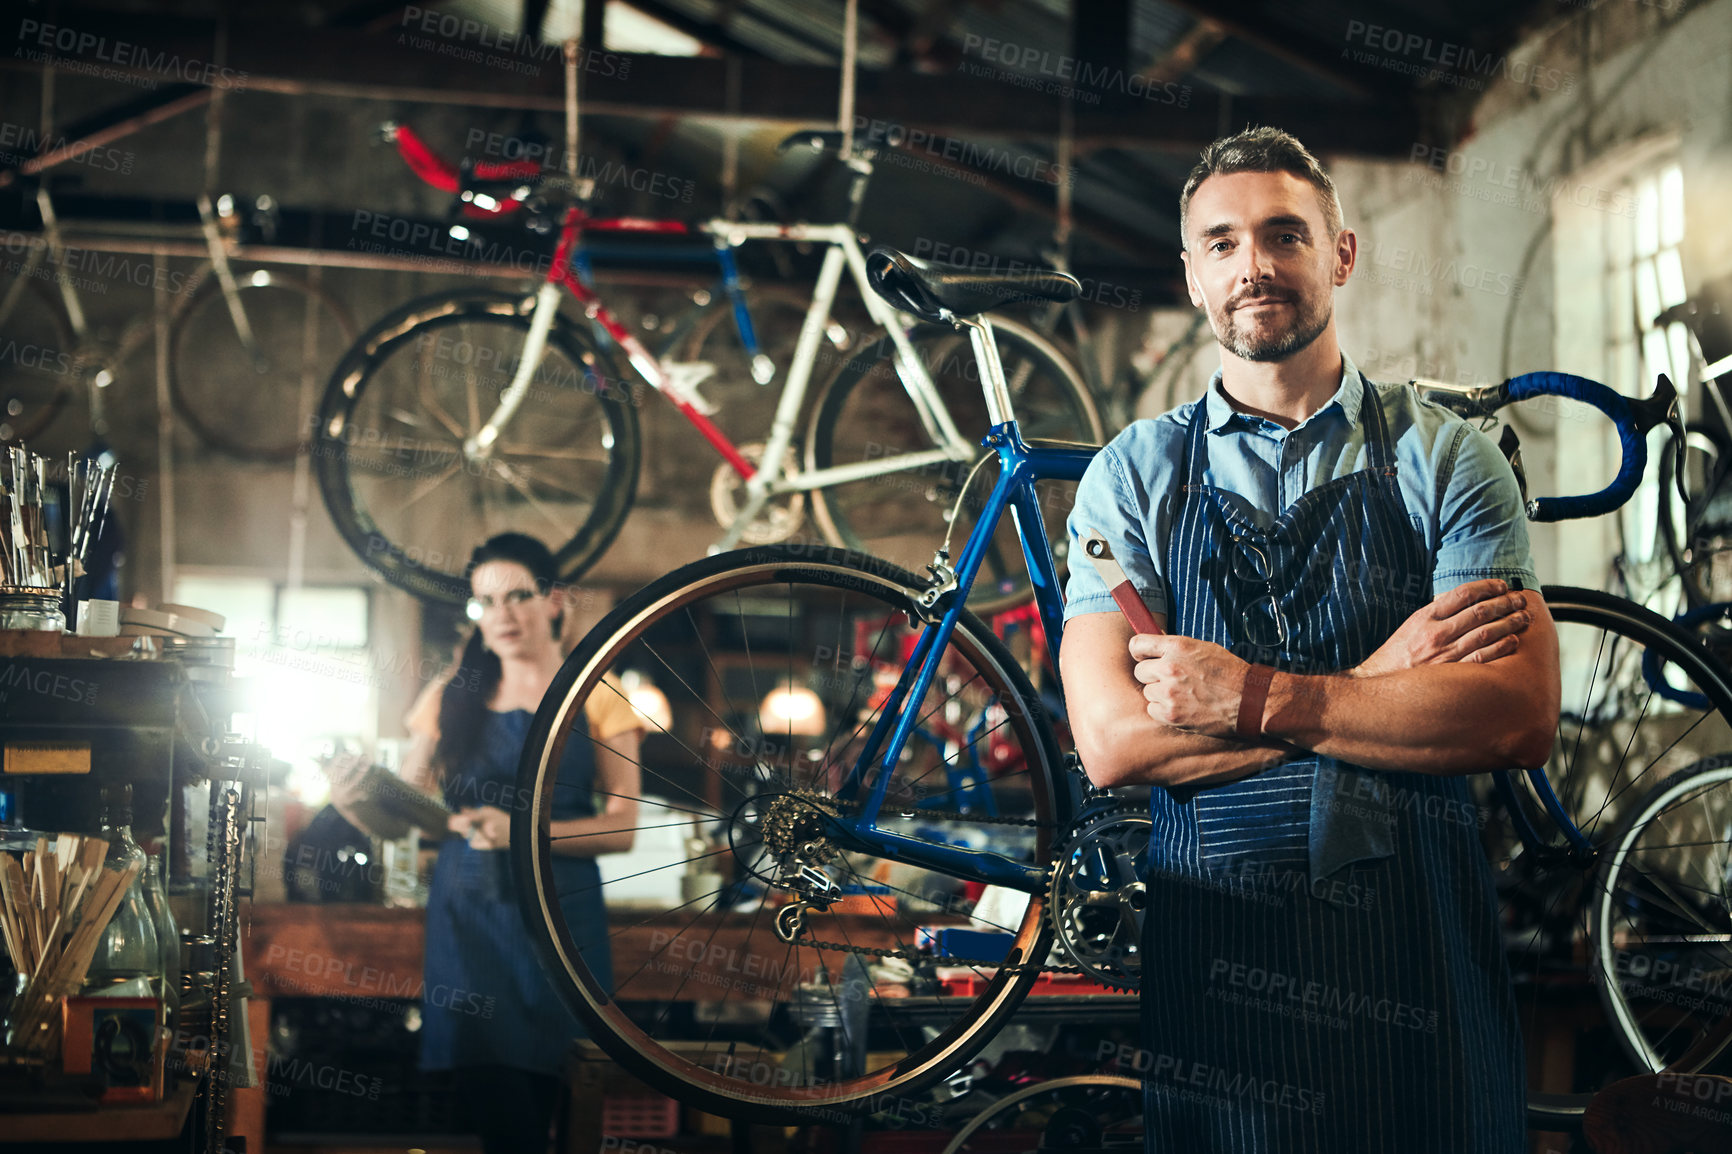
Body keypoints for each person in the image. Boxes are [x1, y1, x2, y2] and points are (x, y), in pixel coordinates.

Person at [1059, 127, 1560, 1152]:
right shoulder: (1133, 478)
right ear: (1192, 275)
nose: (1255, 265)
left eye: (1284, 235)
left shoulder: (1449, 459)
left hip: (1415, 956)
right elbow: (1113, 743)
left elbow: (1514, 714)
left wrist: (1247, 695)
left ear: (1340, 253)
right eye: (1223, 242)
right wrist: (1383, 683)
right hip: (1221, 962)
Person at [332, 532, 643, 1153]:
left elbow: (624, 829)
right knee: (503, 1119)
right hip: (470, 918)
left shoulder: (599, 695)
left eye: (517, 596)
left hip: (563, 919)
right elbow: (408, 821)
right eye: (484, 602)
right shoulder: (452, 695)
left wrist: (525, 832)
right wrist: (353, 799)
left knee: (562, 1101)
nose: (500, 615)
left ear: (555, 600)